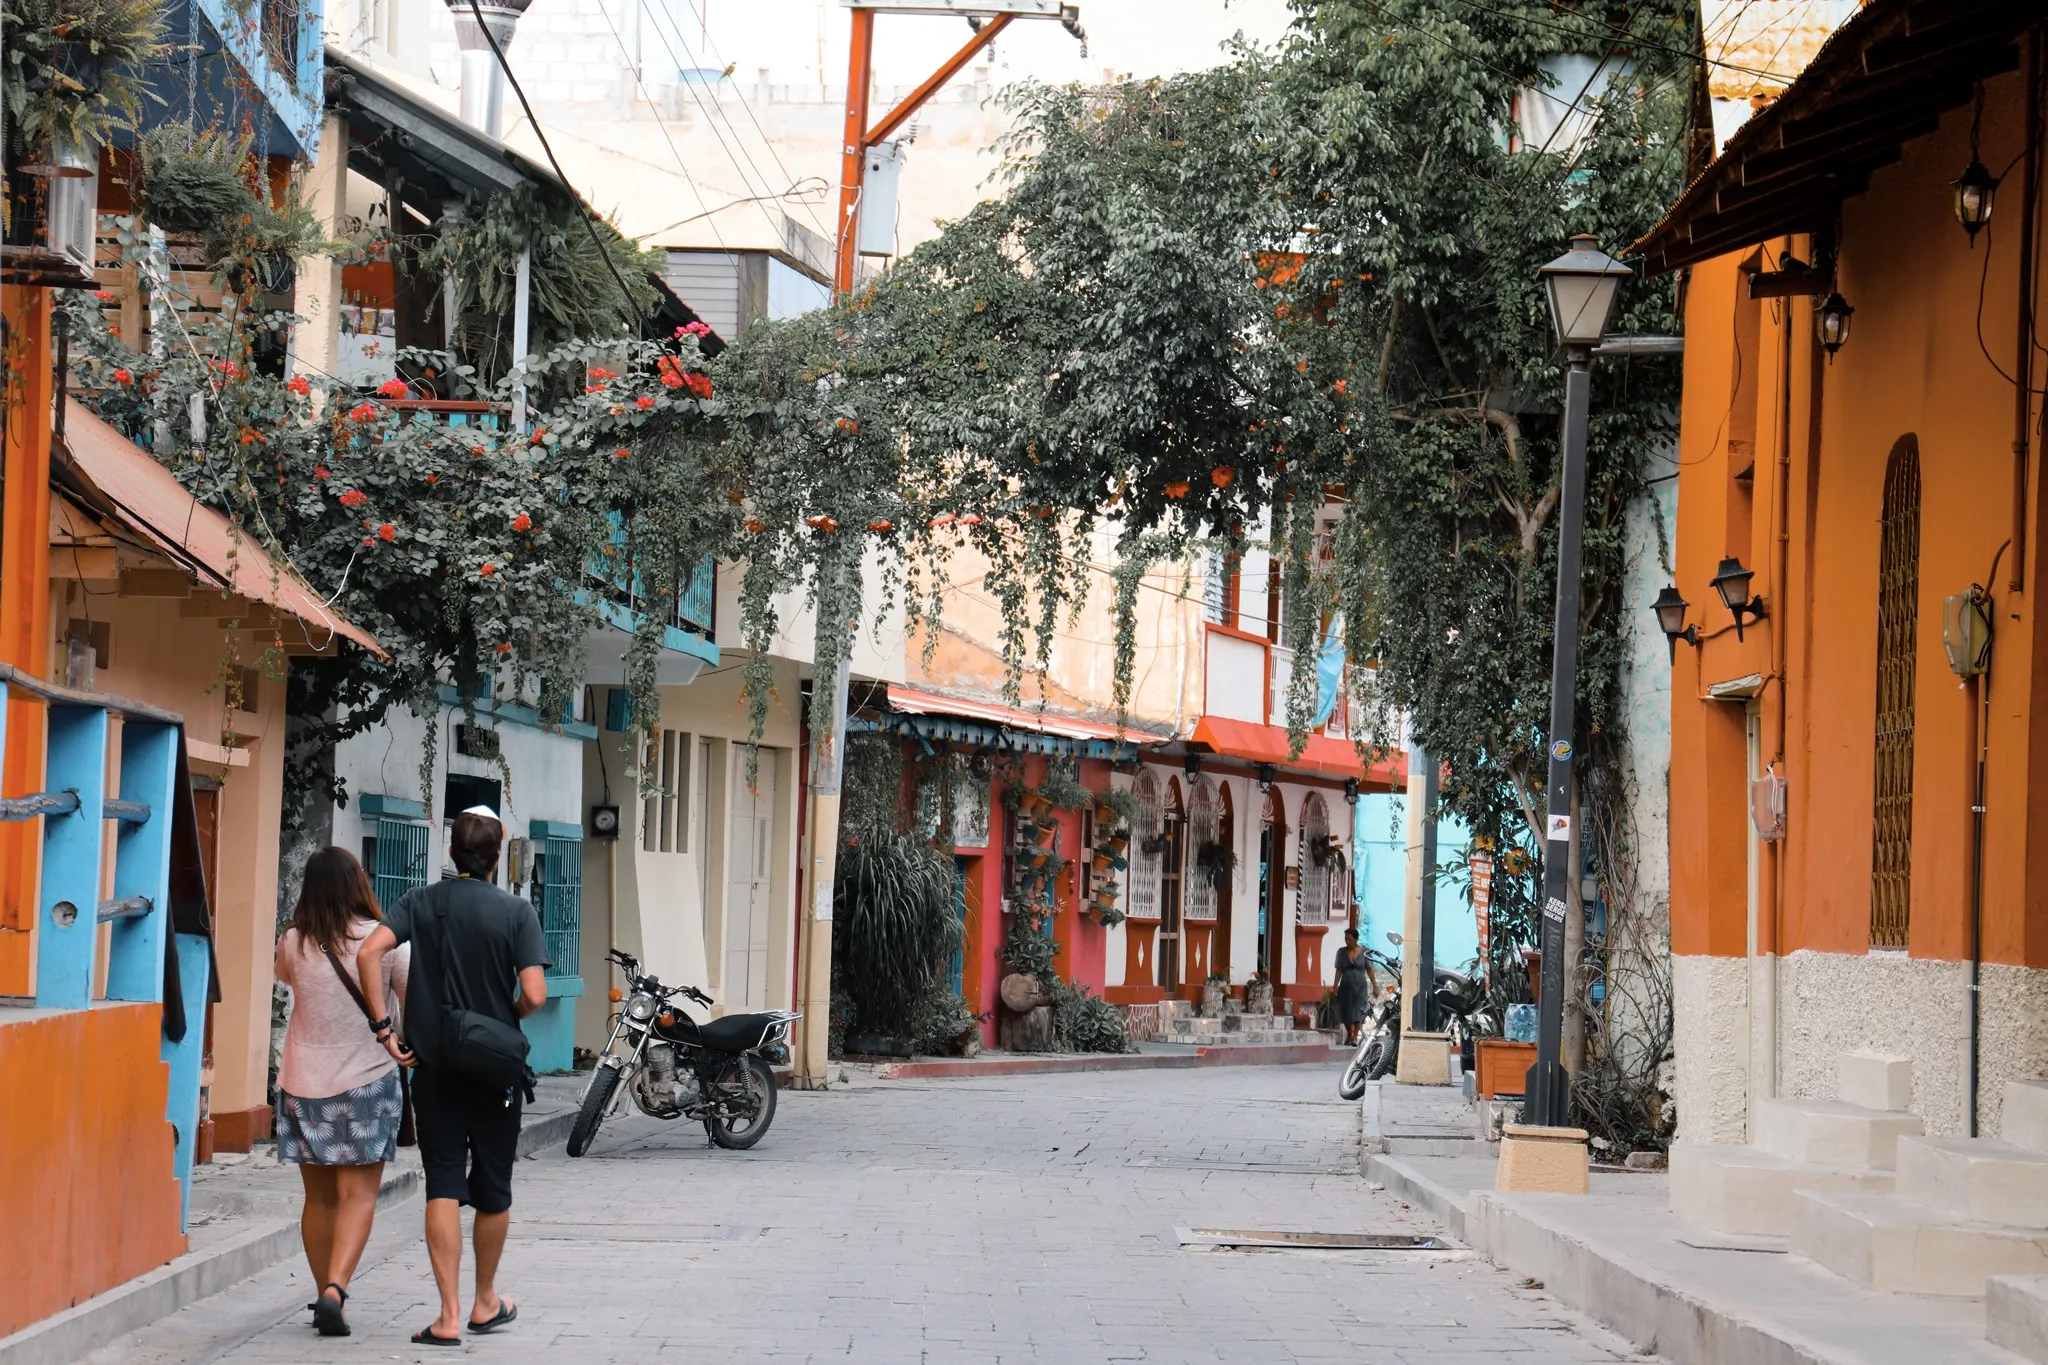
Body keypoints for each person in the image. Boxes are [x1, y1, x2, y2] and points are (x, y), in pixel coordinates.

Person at [357, 807, 549, 1346]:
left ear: (451, 852)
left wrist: (384, 1029)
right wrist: (509, 1014)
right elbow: (535, 995)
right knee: (493, 1184)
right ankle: (486, 1302)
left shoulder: (420, 902)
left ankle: (446, 1315)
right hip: (494, 1068)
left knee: (442, 1180)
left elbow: (370, 952)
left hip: (433, 1065)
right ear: (498, 855)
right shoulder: (517, 912)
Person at [273, 847, 412, 1338]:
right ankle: (336, 1288)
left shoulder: (293, 941)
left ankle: (323, 1296)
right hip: (367, 1081)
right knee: (358, 1195)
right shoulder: (386, 941)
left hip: (302, 1084)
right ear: (359, 883)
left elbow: (287, 978)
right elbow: (409, 1004)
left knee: (318, 1199)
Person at [1334, 926, 1373, 1047]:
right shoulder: (1341, 952)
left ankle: (1355, 1037)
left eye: (1349, 939)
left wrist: (1375, 986)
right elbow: (1339, 970)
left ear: (1356, 939)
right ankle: (1349, 1035)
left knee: (1358, 1012)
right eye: (1346, 939)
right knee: (1345, 1010)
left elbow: (1370, 970)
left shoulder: (1365, 952)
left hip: (1360, 987)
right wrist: (1335, 986)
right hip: (1345, 986)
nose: (1347, 941)